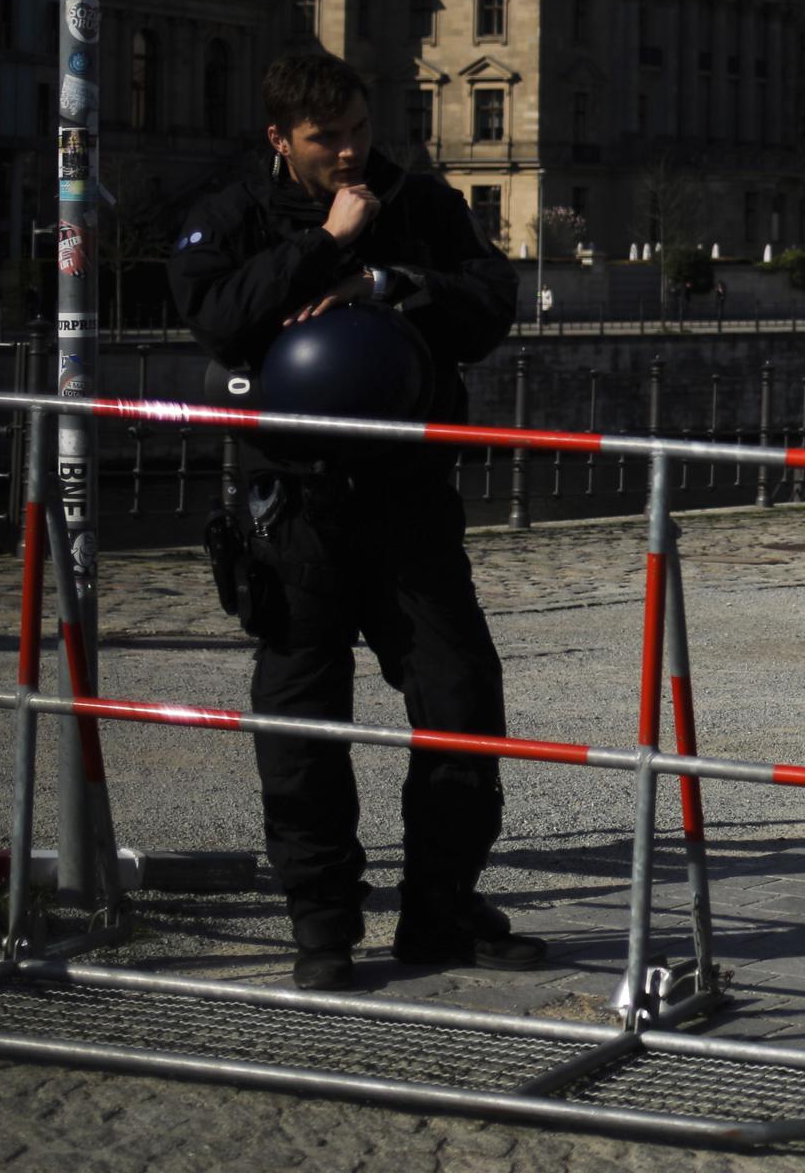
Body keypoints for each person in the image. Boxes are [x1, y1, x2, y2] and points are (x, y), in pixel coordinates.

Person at [168, 51, 537, 993]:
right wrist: (327, 242)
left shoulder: (417, 200)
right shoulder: (237, 212)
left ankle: (440, 910)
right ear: (280, 141)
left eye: (360, 132)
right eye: (326, 139)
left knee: (461, 704)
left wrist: (389, 284)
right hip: (296, 508)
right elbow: (215, 316)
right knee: (301, 725)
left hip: (410, 499)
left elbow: (494, 303)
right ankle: (322, 925)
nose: (349, 153)